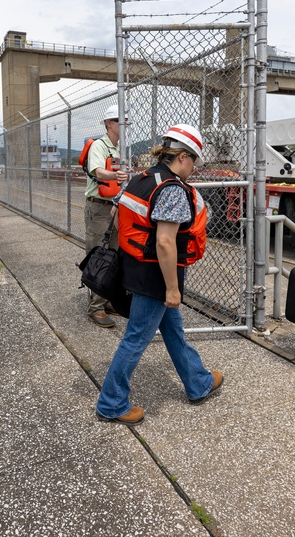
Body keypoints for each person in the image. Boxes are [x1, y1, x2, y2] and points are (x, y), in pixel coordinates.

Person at [95, 124, 223, 424]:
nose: (194, 169)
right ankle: (111, 403)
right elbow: (166, 242)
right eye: (194, 162)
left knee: (173, 330)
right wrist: (172, 289)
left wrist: (137, 249)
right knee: (136, 338)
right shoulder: (173, 189)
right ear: (182, 157)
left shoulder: (140, 179)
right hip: (157, 276)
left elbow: (116, 219)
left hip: (135, 266)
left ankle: (197, 382)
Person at [83, 104, 129, 328]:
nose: (125, 125)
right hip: (99, 207)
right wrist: (115, 174)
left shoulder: (119, 148)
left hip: (114, 207)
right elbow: (98, 171)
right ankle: (95, 307)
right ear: (109, 123)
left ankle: (108, 299)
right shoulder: (99, 146)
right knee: (99, 255)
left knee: (115, 254)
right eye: (121, 121)